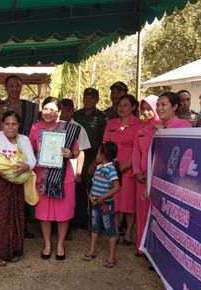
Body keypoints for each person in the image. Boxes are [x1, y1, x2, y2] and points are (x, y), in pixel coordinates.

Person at [29, 97, 90, 261]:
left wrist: (71, 154)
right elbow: (29, 150)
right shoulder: (35, 128)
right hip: (42, 175)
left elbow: (77, 151)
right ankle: (47, 243)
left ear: (59, 112)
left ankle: (60, 244)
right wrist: (38, 151)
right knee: (44, 213)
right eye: (45, 109)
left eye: (52, 110)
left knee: (63, 212)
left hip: (64, 177)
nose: (48, 113)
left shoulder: (67, 128)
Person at [0, 111, 36, 267]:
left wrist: (26, 166)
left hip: (17, 183)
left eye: (14, 124)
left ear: (19, 125)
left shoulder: (23, 140)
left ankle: (13, 251)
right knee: (0, 217)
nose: (10, 127)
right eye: (7, 124)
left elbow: (32, 160)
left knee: (16, 215)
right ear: (2, 124)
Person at [0, 74, 39, 238]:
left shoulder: (31, 107)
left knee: (21, 193)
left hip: (23, 155)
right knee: (3, 196)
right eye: (11, 86)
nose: (15, 89)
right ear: (6, 88)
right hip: (4, 158)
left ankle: (21, 228)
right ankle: (4, 228)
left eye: (18, 86)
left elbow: (36, 131)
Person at [103, 94, 143, 245]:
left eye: (126, 105)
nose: (122, 108)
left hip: (130, 168)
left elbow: (138, 148)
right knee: (115, 201)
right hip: (112, 168)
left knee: (128, 203)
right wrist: (110, 164)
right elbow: (105, 144)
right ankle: (115, 231)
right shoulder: (111, 123)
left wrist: (126, 166)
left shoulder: (139, 124)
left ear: (133, 107)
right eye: (120, 105)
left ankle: (128, 232)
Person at [83, 142, 121, 268]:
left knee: (110, 229)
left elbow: (117, 187)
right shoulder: (99, 168)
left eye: (98, 152)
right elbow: (94, 185)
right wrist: (91, 197)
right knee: (94, 227)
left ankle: (112, 257)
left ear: (103, 154)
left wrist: (103, 197)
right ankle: (92, 250)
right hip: (96, 204)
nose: (96, 155)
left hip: (106, 205)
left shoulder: (111, 170)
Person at [72, 88, 106, 230]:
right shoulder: (76, 115)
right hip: (77, 153)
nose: (89, 100)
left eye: (92, 98)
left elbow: (103, 140)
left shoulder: (101, 117)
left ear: (97, 100)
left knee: (94, 188)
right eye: (87, 97)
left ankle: (95, 221)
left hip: (94, 155)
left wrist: (96, 161)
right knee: (78, 188)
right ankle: (80, 220)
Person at [132, 95, 159, 257]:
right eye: (144, 108)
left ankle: (153, 249)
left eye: (149, 108)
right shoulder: (141, 129)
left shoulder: (161, 129)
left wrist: (150, 173)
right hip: (141, 178)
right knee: (141, 212)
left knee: (153, 213)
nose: (146, 112)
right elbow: (136, 152)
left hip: (155, 178)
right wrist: (136, 171)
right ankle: (141, 246)